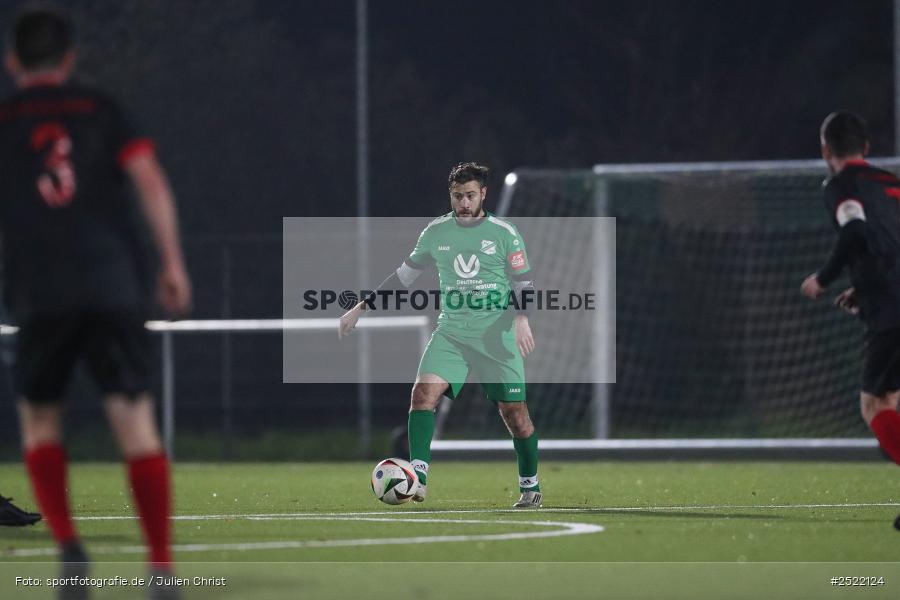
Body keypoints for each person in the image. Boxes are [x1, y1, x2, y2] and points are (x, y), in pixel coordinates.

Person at [0, 6, 192, 598]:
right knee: (135, 423)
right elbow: (150, 179)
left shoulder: (5, 119)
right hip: (112, 284)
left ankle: (70, 551)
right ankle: (160, 569)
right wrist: (171, 264)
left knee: (40, 423)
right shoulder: (101, 109)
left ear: (12, 63)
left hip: (41, 289)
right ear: (70, 58)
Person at [340, 162, 541, 508]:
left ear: (483, 195)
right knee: (422, 394)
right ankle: (417, 478)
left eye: (470, 196)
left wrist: (522, 318)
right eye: (457, 196)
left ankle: (530, 485)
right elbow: (404, 277)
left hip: (496, 336)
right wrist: (362, 305)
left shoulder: (504, 233)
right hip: (452, 334)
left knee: (516, 415)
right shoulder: (435, 233)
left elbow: (523, 283)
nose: (463, 203)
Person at [801, 111, 900, 530]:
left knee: (874, 404)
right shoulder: (891, 184)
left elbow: (856, 230)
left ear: (826, 150)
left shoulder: (840, 186)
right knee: (893, 400)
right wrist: (865, 288)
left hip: (893, 310)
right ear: (867, 148)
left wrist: (823, 278)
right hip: (889, 298)